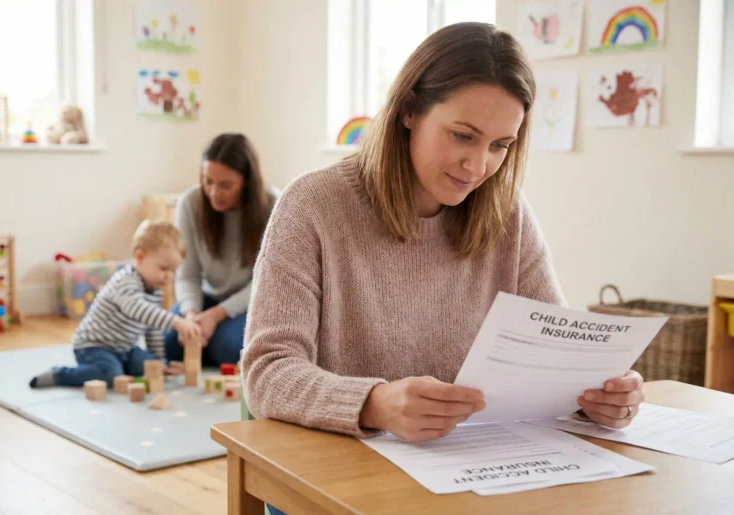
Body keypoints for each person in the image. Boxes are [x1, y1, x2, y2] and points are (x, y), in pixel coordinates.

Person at [243, 21, 645, 446]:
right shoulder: (312, 205)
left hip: (467, 465)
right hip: (339, 466)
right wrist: (374, 404)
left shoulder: (507, 213)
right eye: (462, 136)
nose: (478, 166)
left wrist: (597, 395)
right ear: (410, 110)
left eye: (500, 146)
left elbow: (554, 356)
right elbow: (267, 372)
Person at [30, 220, 201, 388]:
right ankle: (60, 374)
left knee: (147, 367)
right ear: (140, 258)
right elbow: (139, 309)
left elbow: (153, 330)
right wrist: (176, 321)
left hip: (125, 349)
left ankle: (124, 367)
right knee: (111, 375)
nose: (169, 277)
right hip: (94, 346)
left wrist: (159, 363)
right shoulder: (125, 281)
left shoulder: (155, 291)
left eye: (174, 271)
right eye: (164, 269)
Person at [164, 133, 279, 367]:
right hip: (207, 297)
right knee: (170, 344)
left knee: (224, 348)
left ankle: (217, 340)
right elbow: (187, 274)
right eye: (208, 181)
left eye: (226, 185)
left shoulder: (273, 204)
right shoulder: (190, 203)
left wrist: (216, 316)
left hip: (253, 303)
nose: (214, 193)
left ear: (247, 182)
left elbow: (266, 282)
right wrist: (192, 316)